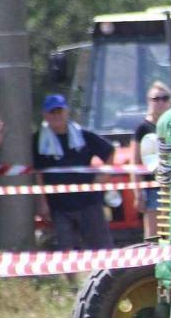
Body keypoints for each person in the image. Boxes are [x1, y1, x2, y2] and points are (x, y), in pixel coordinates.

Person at [33, 93, 114, 251]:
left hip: (89, 202)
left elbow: (110, 151)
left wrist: (101, 179)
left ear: (66, 112)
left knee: (102, 249)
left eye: (59, 111)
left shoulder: (83, 135)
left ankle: (109, 275)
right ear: (45, 115)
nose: (56, 115)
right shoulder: (37, 141)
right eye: (52, 112)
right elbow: (37, 173)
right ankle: (75, 277)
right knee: (66, 253)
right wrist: (42, 203)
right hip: (59, 206)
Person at [132, 81, 171, 239]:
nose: (161, 102)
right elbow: (135, 163)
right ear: (149, 101)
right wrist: (138, 194)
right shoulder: (142, 128)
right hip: (152, 187)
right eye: (156, 99)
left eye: (165, 98)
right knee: (153, 236)